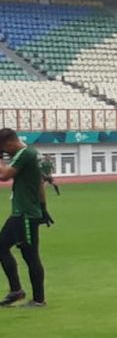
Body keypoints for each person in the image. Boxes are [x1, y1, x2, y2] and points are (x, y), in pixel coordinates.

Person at [0, 128, 53, 307]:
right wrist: (44, 208)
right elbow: (39, 183)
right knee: (1, 247)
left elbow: (5, 176)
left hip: (26, 215)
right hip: (20, 213)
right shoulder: (30, 153)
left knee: (30, 256)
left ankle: (39, 299)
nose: (5, 153)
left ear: (9, 143)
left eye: (4, 149)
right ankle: (16, 291)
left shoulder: (25, 154)